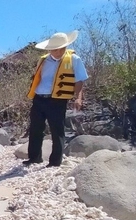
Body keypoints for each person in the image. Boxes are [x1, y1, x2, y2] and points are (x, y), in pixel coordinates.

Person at [24, 30, 88, 168]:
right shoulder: (43, 60)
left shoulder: (74, 59)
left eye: (61, 49)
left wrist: (78, 98)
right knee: (35, 128)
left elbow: (80, 80)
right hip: (39, 98)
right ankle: (34, 157)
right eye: (55, 50)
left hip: (58, 100)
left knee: (57, 130)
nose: (58, 52)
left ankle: (55, 161)